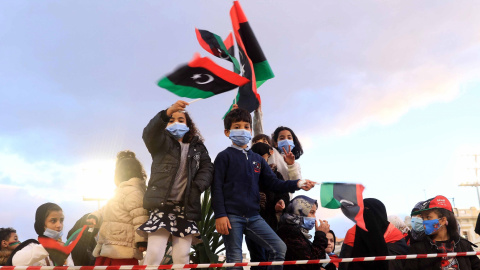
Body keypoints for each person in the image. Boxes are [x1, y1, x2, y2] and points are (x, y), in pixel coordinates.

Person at [212, 108, 315, 270]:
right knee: (235, 259)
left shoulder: (257, 159)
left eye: (246, 126)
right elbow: (216, 187)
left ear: (251, 130)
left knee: (279, 248)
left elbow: (275, 183)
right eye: (237, 126)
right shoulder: (224, 156)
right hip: (232, 217)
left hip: (254, 216)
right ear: (227, 132)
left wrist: (298, 183)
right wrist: (220, 215)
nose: (242, 130)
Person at [139, 100, 213, 266]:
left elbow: (208, 168)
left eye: (181, 120)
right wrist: (167, 112)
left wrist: (197, 186)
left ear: (188, 125)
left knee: (182, 257)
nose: (176, 123)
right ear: (165, 125)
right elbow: (148, 134)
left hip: (185, 208)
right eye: (172, 120)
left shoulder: (197, 147)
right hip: (161, 206)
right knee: (153, 255)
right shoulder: (160, 144)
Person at [86, 150, 149, 266]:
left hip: (123, 250)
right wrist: (95, 216)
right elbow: (106, 210)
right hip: (109, 247)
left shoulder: (133, 191)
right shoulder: (121, 191)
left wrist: (142, 241)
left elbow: (140, 217)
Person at [246, 142, 291, 269]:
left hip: (271, 223)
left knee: (274, 255)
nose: (261, 160)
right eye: (257, 157)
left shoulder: (275, 175)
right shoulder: (248, 174)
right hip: (252, 223)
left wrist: (281, 202)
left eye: (263, 157)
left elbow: (284, 193)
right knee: (258, 259)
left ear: (270, 154)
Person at [404, 195, 480, 270]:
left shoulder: (463, 245)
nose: (424, 222)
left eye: (428, 217)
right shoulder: (417, 248)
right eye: (423, 218)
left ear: (443, 220)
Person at [339, 198, 408, 270]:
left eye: (367, 210)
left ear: (379, 213)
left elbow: (399, 264)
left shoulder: (393, 234)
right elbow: (344, 264)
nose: (365, 214)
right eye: (362, 211)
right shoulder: (352, 233)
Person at [9, 202, 74, 266]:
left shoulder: (64, 248)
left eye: (61, 220)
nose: (59, 225)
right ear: (42, 224)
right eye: (53, 221)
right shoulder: (32, 246)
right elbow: (17, 262)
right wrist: (49, 246)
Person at [276, 195, 330, 270]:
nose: (314, 217)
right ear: (299, 212)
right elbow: (311, 263)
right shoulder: (289, 232)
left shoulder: (297, 231)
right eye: (311, 212)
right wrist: (321, 235)